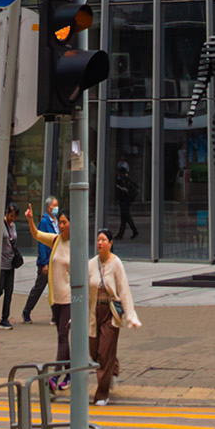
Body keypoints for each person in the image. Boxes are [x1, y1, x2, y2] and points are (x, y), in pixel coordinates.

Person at [89, 227, 140, 403]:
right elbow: (84, 291)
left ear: (110, 243)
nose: (100, 243)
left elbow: (124, 289)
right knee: (94, 351)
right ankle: (113, 368)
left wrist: (130, 315)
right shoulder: (91, 264)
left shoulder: (116, 263)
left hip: (110, 313)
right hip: (93, 312)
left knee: (104, 353)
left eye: (104, 240)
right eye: (98, 240)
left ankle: (102, 394)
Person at [26, 205, 73, 390]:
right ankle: (70, 375)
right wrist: (30, 219)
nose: (61, 226)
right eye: (59, 222)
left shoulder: (76, 246)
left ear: (72, 224)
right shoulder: (55, 240)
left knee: (62, 336)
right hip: (55, 300)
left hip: (69, 300)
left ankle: (55, 377)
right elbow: (36, 234)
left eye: (64, 222)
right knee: (62, 338)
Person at [22, 195, 58, 321]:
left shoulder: (56, 221)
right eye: (54, 206)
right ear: (49, 207)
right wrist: (44, 263)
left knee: (55, 289)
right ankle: (26, 311)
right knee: (39, 287)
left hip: (55, 261)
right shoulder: (44, 222)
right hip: (46, 261)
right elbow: (42, 243)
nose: (56, 208)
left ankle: (56, 315)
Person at [0, 205, 23, 328]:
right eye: (11, 216)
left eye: (15, 217)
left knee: (9, 292)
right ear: (7, 212)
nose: (12, 219)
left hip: (10, 264)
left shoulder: (13, 226)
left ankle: (4, 318)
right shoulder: (0, 225)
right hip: (1, 264)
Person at [114, 160, 136, 244]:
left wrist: (120, 188)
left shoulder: (124, 180)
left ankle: (125, 233)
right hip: (124, 200)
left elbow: (126, 189)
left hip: (125, 200)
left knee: (125, 217)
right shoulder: (123, 179)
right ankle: (132, 231)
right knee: (125, 218)